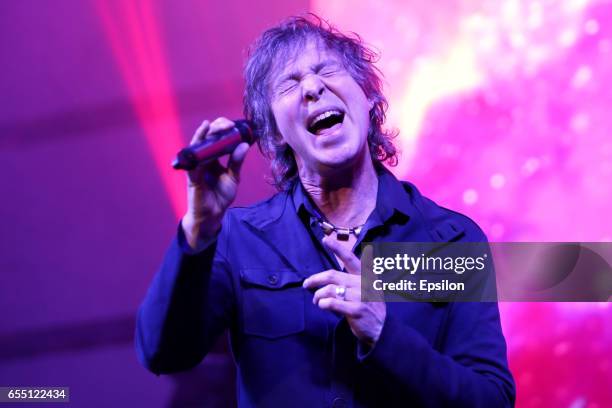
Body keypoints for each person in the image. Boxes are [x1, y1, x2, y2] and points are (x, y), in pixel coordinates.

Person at [136, 15, 515, 408]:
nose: (313, 88)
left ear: (369, 97)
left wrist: (384, 334)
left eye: (325, 70)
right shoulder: (241, 238)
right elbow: (163, 353)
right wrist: (199, 227)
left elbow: (490, 400)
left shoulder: (449, 240)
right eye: (290, 83)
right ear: (276, 133)